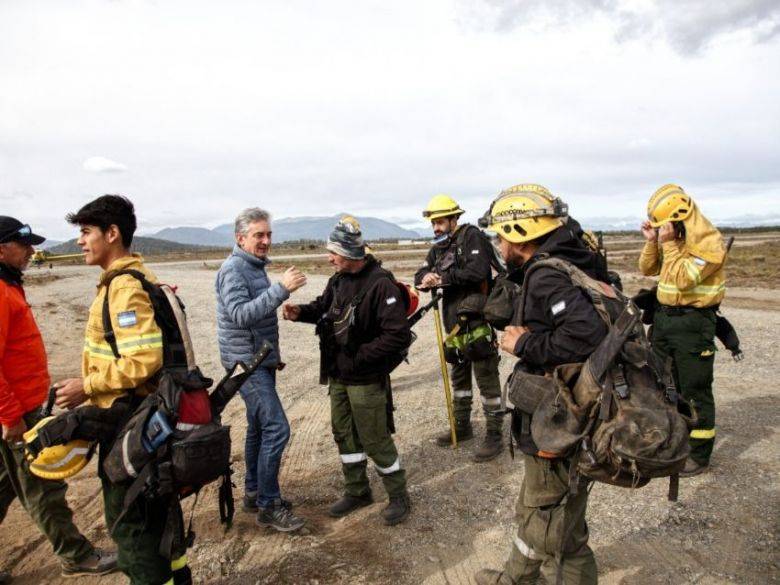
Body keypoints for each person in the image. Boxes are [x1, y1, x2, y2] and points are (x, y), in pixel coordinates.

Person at [474, 184, 607, 585]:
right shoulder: (572, 256)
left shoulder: (548, 276)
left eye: (501, 234)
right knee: (537, 506)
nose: (498, 243)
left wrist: (524, 342)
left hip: (560, 417)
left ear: (519, 233)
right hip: (566, 410)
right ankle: (518, 577)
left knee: (555, 520)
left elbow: (588, 333)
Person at [53, 195, 190, 584]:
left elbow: (143, 359)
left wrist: (87, 386)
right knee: (161, 529)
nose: (80, 241)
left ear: (112, 234)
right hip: (140, 426)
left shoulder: (124, 288)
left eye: (85, 232)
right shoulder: (127, 281)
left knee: (134, 532)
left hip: (131, 430)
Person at [0, 216, 117, 582]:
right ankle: (75, 555)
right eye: (24, 245)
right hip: (19, 414)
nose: (32, 251)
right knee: (43, 488)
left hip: (22, 408)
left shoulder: (9, 286)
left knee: (4, 486)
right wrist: (11, 417)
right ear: (1, 248)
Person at [283, 217, 412, 525]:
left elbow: (397, 336)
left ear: (351, 254)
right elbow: (323, 309)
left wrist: (360, 358)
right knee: (344, 434)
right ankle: (357, 491)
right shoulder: (338, 280)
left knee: (374, 437)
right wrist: (300, 312)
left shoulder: (381, 283)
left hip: (365, 378)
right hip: (338, 376)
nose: (329, 258)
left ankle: (398, 496)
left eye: (334, 252)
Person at [215, 207, 307, 532]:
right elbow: (240, 315)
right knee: (277, 428)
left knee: (257, 427)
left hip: (259, 361)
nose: (266, 240)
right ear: (241, 238)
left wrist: (273, 355)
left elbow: (258, 316)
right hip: (245, 364)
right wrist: (280, 289)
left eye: (268, 234)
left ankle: (254, 492)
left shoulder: (253, 267)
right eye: (259, 235)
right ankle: (269, 504)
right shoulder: (233, 270)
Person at [639, 184, 726, 476]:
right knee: (665, 384)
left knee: (694, 389)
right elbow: (648, 269)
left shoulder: (709, 245)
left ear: (679, 219)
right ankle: (673, 441)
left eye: (665, 225)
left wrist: (668, 244)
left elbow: (683, 279)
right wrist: (653, 242)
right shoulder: (673, 240)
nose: (663, 229)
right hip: (664, 320)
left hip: (693, 323)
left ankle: (699, 454)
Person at [414, 194, 504, 462]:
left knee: (487, 380)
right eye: (433, 223)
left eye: (440, 221)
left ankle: (494, 435)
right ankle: (462, 427)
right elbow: (420, 273)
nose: (436, 228)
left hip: (477, 321)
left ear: (454, 218)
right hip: (452, 324)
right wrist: (425, 278)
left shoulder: (472, 238)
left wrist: (442, 278)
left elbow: (478, 272)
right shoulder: (440, 247)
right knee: (460, 380)